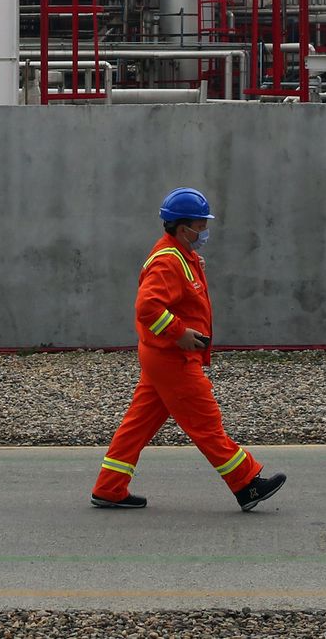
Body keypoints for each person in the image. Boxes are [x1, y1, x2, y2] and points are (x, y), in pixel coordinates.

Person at [90, 187, 287, 512]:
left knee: (138, 424)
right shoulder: (170, 261)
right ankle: (246, 484)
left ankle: (109, 487)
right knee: (206, 423)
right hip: (172, 359)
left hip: (161, 357)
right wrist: (178, 332)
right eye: (201, 225)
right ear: (185, 228)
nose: (205, 231)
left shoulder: (181, 255)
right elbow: (148, 307)